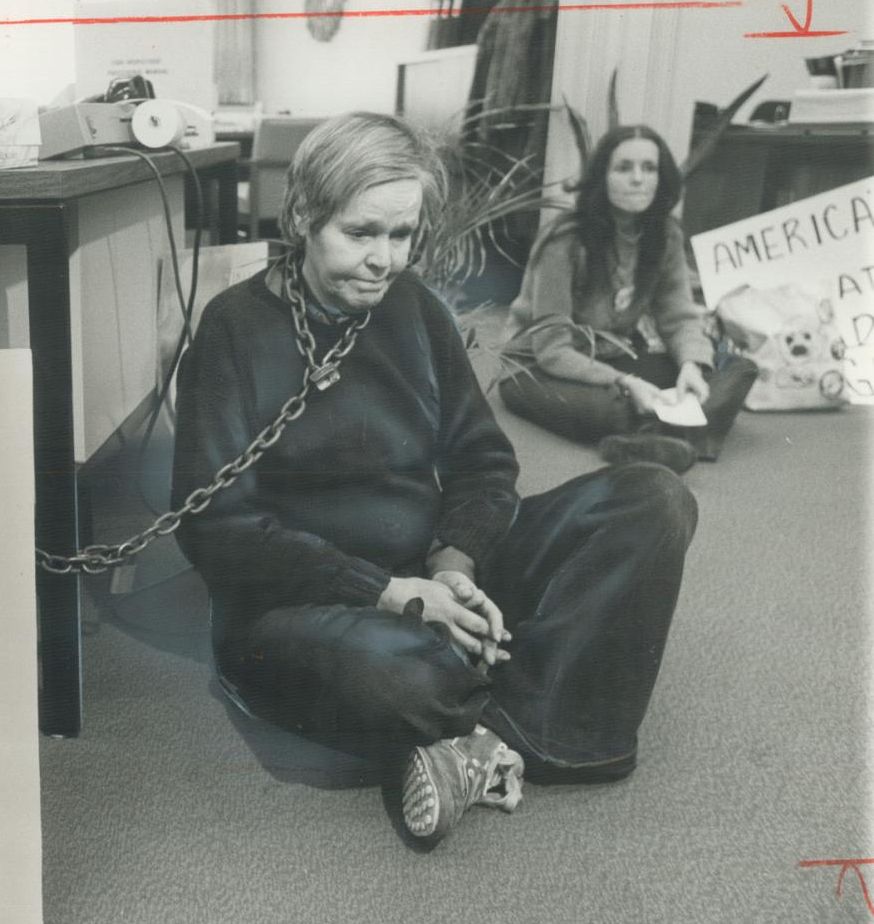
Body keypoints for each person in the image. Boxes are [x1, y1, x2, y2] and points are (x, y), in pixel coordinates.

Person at [171, 112, 699, 848]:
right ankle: (531, 705)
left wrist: (453, 567)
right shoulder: (232, 330)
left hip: (429, 569)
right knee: (394, 670)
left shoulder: (413, 308)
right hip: (309, 603)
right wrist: (389, 595)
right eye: (360, 233)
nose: (384, 260)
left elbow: (482, 462)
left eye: (400, 235)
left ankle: (472, 733)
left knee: (652, 499)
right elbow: (219, 531)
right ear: (300, 217)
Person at [499, 124, 759, 472]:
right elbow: (552, 349)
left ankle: (651, 437)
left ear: (661, 177)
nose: (638, 179)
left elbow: (678, 317)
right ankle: (675, 433)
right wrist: (625, 382)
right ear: (601, 176)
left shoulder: (665, 234)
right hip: (537, 365)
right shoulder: (564, 240)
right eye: (624, 168)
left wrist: (690, 367)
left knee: (736, 367)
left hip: (613, 352)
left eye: (648, 168)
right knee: (610, 408)